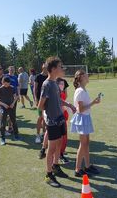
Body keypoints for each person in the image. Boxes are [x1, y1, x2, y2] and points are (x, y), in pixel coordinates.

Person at [38, 56, 75, 188]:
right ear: (53, 69)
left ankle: (56, 166)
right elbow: (40, 105)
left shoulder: (55, 83)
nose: (62, 68)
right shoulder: (47, 84)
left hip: (59, 118)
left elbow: (58, 100)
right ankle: (49, 175)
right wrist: (45, 117)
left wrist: (69, 104)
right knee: (52, 148)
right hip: (53, 121)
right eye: (60, 67)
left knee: (59, 144)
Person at [70, 70, 101, 177]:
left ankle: (87, 166)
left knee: (86, 143)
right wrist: (93, 103)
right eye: (86, 74)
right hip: (82, 118)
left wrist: (94, 102)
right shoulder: (80, 91)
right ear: (81, 77)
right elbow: (80, 109)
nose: (88, 76)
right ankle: (77, 169)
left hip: (85, 118)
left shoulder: (83, 89)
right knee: (83, 144)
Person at [0, 76, 19, 145]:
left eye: (7, 83)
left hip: (11, 107)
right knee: (3, 123)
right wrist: (3, 104)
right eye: (4, 83)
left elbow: (16, 97)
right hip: (3, 107)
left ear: (9, 83)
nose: (6, 84)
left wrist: (13, 103)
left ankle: (16, 135)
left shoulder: (12, 88)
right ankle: (3, 138)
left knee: (13, 121)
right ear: (2, 82)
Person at [57, 77, 70, 164]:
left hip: (64, 115)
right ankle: (59, 155)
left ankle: (61, 153)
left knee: (64, 137)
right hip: (58, 116)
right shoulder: (55, 92)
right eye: (61, 84)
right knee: (60, 138)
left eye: (63, 84)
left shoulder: (62, 90)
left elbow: (65, 98)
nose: (63, 85)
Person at [35, 64, 48, 146]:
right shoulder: (38, 76)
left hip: (48, 101)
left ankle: (44, 133)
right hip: (40, 101)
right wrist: (36, 99)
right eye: (45, 67)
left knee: (46, 118)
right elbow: (35, 89)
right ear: (42, 67)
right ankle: (37, 135)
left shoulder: (50, 76)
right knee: (40, 117)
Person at [6, 66, 20, 134]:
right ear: (8, 70)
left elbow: (17, 86)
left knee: (13, 113)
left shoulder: (15, 77)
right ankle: (9, 127)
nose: (12, 70)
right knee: (8, 114)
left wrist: (18, 95)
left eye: (13, 69)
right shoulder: (6, 76)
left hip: (14, 97)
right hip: (7, 97)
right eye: (10, 69)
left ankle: (10, 127)